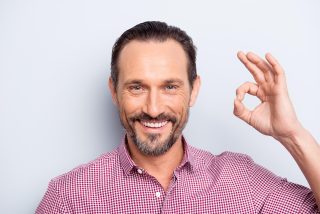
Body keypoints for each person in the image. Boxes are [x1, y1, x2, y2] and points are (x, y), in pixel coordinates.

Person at [36, 21, 320, 213]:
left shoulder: (239, 178)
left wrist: (292, 134)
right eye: (137, 87)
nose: (154, 107)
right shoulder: (68, 198)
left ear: (194, 90)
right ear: (114, 90)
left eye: (170, 87)